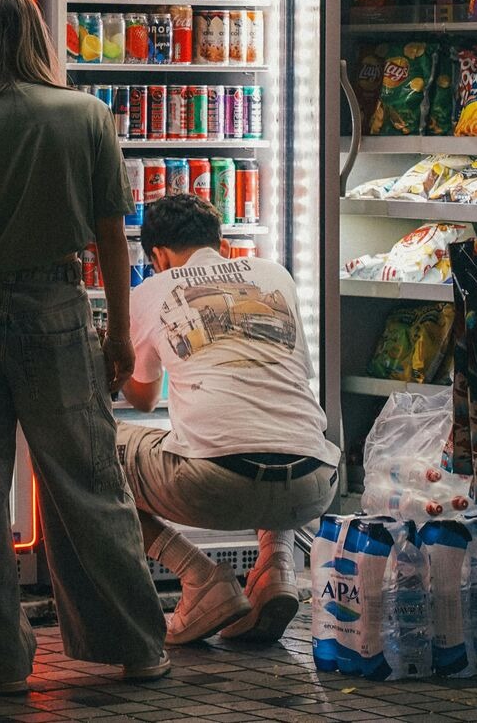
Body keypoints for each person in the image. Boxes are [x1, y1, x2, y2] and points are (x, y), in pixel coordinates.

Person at [0, 0, 168, 695]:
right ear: (36, 33)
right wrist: (116, 330)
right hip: (56, 309)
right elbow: (113, 234)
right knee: (87, 483)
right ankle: (135, 644)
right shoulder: (85, 115)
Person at [117, 195, 339, 646]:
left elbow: (142, 399)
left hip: (216, 485)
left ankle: (199, 577)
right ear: (219, 241)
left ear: (157, 255)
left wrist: (109, 356)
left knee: (88, 452)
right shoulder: (275, 275)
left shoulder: (150, 292)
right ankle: (275, 568)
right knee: (266, 414)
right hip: (315, 483)